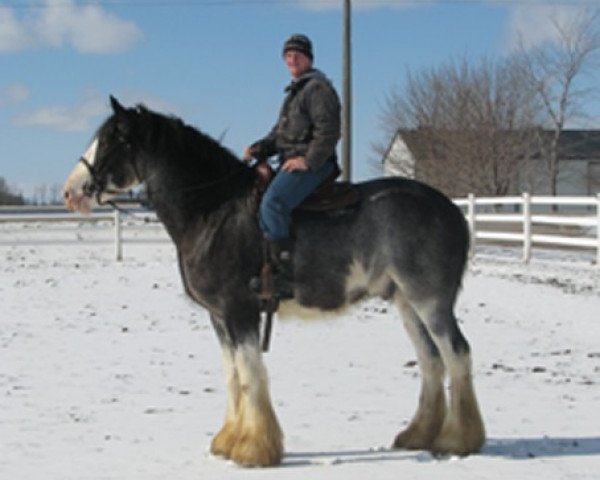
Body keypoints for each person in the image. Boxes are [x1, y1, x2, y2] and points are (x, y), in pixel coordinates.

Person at [244, 33, 341, 297]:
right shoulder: (295, 93)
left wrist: (307, 161)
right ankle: (265, 264)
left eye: (298, 54)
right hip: (292, 162)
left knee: (273, 203)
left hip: (315, 165)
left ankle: (288, 278)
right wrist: (259, 148)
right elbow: (280, 135)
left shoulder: (318, 89)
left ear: (309, 58)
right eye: (288, 55)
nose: (292, 59)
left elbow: (329, 132)